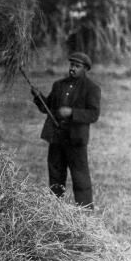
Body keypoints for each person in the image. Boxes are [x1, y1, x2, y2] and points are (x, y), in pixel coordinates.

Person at [31, 52, 101, 209]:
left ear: (85, 69)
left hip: (76, 141)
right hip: (56, 138)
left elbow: (94, 114)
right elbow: (48, 107)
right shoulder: (59, 85)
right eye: (72, 65)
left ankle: (85, 214)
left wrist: (72, 112)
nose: (73, 69)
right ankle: (55, 210)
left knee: (80, 177)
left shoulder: (92, 88)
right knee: (55, 175)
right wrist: (38, 97)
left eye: (77, 66)